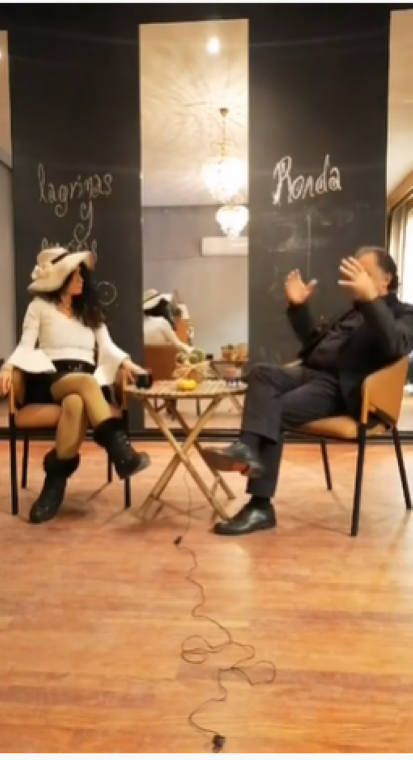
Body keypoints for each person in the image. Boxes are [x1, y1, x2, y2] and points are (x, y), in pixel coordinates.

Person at [203, 246, 413, 537]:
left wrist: (371, 300)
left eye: (364, 272)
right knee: (261, 372)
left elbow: (395, 345)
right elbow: (314, 344)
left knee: (272, 410)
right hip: (309, 373)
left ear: (385, 279)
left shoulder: (403, 313)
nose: (356, 279)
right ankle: (247, 448)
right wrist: (298, 308)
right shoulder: (351, 312)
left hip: (341, 388)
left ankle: (260, 506)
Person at [0, 247, 151, 525]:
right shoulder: (39, 307)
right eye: (75, 274)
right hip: (51, 378)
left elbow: (108, 347)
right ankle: (120, 451)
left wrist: (127, 363)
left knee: (77, 401)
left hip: (85, 382)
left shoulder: (90, 311)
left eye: (82, 274)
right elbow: (25, 346)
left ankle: (53, 486)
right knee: (83, 383)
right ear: (61, 278)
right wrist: (8, 367)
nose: (82, 279)